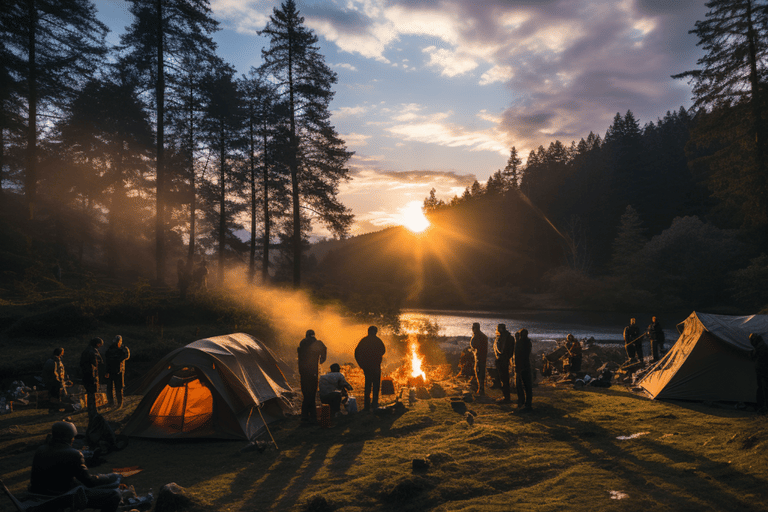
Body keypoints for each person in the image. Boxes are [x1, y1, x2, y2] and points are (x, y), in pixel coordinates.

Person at [30, 421, 121, 512]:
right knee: (114, 496)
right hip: (63, 497)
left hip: (41, 495)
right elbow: (89, 482)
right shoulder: (74, 454)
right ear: (70, 438)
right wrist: (110, 477)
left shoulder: (41, 450)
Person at [297, 330, 327, 423]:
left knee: (306, 393)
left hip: (303, 372)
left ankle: (306, 415)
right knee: (312, 393)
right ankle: (312, 416)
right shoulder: (317, 343)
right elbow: (324, 349)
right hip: (313, 371)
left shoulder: (302, 343)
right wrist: (322, 359)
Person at [355, 326, 386, 412]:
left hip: (367, 367)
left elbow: (357, 352)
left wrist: (361, 364)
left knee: (368, 386)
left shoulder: (363, 341)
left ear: (368, 331)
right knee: (376, 386)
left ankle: (367, 407)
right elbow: (383, 351)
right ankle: (375, 405)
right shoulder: (378, 341)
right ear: (375, 332)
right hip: (376, 366)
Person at [79, 338, 104, 417]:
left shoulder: (85, 351)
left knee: (90, 393)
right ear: (97, 344)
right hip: (91, 375)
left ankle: (91, 408)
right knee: (92, 393)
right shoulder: (93, 352)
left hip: (85, 375)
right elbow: (96, 364)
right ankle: (93, 409)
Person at [104, 336, 130, 408]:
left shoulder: (123, 349)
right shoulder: (110, 349)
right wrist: (106, 371)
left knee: (119, 387)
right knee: (109, 387)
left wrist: (119, 359)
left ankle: (119, 403)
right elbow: (107, 360)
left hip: (119, 370)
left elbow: (127, 356)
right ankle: (111, 402)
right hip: (110, 369)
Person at [493, 324, 514, 403]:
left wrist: (501, 357)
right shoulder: (509, 337)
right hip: (504, 360)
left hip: (502, 360)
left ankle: (506, 397)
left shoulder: (503, 338)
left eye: (498, 328)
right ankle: (506, 396)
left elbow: (501, 349)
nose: (497, 330)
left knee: (504, 379)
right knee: (504, 379)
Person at [514, 328, 533, 411]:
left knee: (519, 385)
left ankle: (521, 402)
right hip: (527, 365)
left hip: (520, 366)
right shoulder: (528, 343)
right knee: (527, 386)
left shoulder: (519, 343)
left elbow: (517, 356)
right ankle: (528, 403)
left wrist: (517, 367)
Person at [749, 333, 768, 413]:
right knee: (763, 389)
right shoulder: (763, 347)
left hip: (762, 372)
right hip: (763, 371)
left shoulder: (760, 349)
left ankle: (762, 406)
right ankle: (763, 406)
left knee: (762, 389)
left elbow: (753, 356)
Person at [469, 322, 488, 395]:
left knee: (480, 373)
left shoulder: (480, 336)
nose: (472, 329)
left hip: (480, 358)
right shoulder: (479, 335)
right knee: (478, 373)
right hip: (478, 357)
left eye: (473, 327)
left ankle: (481, 389)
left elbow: (475, 345)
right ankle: (480, 388)